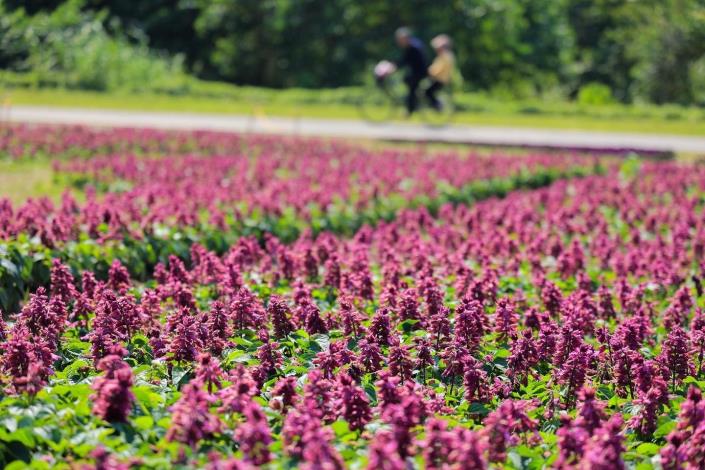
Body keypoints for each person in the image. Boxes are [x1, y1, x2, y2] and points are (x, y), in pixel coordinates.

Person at [393, 27, 428, 116]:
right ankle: (413, 104)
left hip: (419, 72)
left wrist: (395, 66)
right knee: (408, 83)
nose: (399, 42)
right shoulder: (413, 45)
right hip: (417, 71)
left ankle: (411, 108)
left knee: (411, 88)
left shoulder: (413, 47)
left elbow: (405, 60)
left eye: (400, 39)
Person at [426, 34, 455, 111]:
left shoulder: (445, 56)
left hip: (440, 79)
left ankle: (438, 105)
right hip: (439, 78)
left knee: (428, 92)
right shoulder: (445, 56)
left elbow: (439, 69)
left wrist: (431, 72)